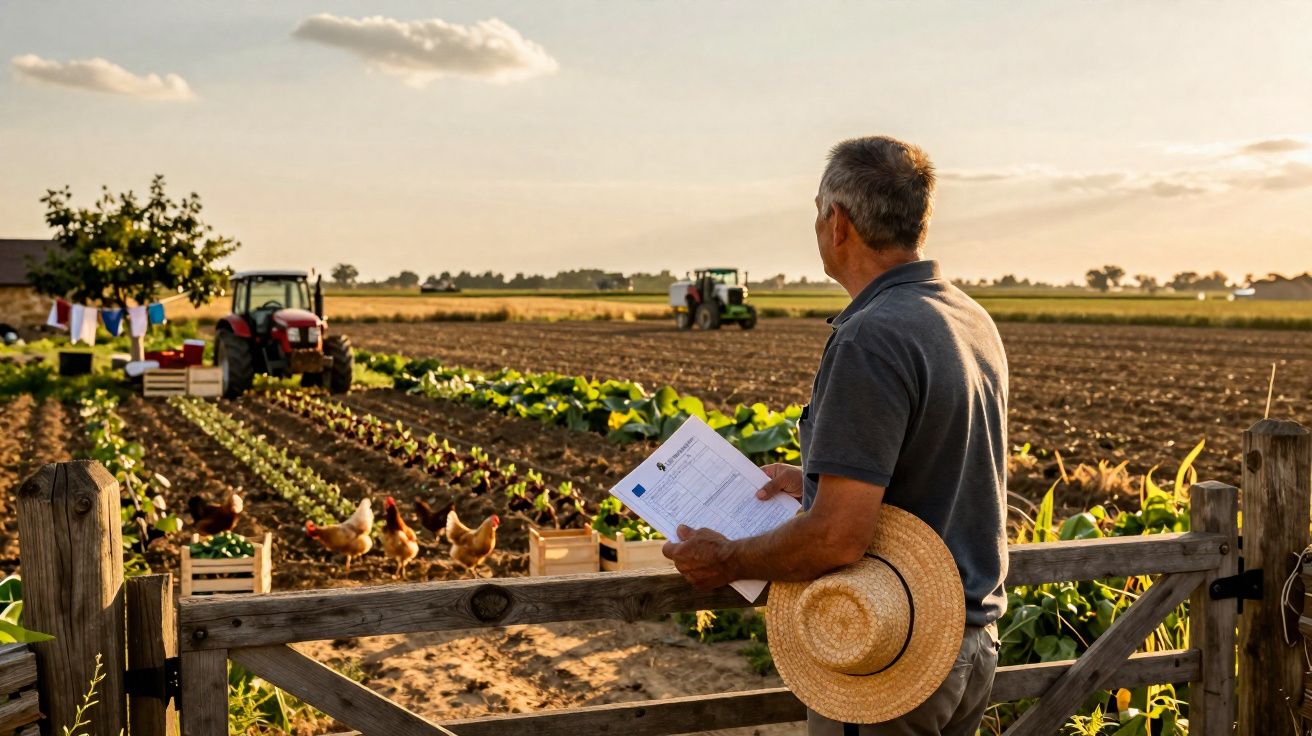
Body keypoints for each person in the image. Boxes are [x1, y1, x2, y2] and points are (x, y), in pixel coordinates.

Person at [662, 135, 1009, 735]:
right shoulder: (965, 316)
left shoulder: (871, 338)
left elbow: (837, 539)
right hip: (970, 643)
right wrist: (818, 478)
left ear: (838, 222)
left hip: (893, 653)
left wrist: (727, 559)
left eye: (817, 209)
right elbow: (939, 461)